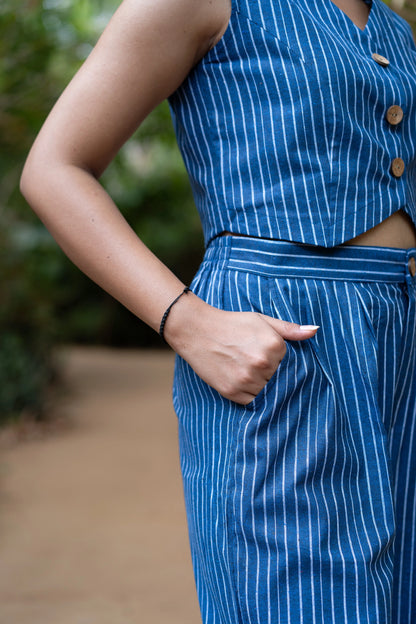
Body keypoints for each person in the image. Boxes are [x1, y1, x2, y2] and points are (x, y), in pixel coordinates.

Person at [20, 0, 416, 621]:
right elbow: (53, 169)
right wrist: (187, 321)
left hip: (401, 348)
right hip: (285, 354)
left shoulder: (393, 24)